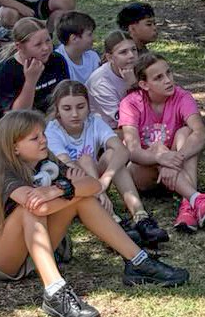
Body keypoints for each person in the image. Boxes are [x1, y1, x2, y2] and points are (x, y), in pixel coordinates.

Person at [0, 109, 188, 317]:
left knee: (83, 199)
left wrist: (59, 190)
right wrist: (69, 191)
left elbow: (93, 185)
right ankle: (55, 292)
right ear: (14, 147)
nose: (43, 140)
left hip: (34, 249)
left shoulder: (45, 161)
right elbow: (37, 207)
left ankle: (138, 262)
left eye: (42, 134)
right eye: (34, 138)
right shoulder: (2, 172)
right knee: (32, 208)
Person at [46, 79, 166, 246]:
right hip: (71, 185)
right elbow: (67, 166)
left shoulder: (94, 121)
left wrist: (105, 179)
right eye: (67, 108)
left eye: (80, 107)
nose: (74, 114)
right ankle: (111, 220)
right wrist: (98, 190)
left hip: (95, 179)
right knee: (85, 159)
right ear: (57, 110)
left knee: (111, 155)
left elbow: (122, 150)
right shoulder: (52, 130)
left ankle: (140, 216)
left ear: (88, 106)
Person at [118, 52, 205, 231]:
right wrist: (160, 158)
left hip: (174, 170)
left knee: (186, 132)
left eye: (169, 73)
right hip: (142, 173)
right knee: (157, 147)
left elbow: (200, 133)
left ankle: (189, 208)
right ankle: (195, 199)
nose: (168, 80)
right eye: (158, 77)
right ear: (144, 84)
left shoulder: (182, 96)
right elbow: (133, 151)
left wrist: (174, 159)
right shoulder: (131, 103)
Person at [0, 17, 68, 125]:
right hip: (12, 125)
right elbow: (16, 115)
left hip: (49, 119)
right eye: (38, 44)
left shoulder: (57, 60)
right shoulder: (6, 71)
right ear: (19, 46)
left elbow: (64, 95)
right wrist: (31, 81)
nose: (46, 48)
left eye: (48, 40)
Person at [86, 31, 138, 128]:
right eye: (123, 52)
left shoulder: (140, 68)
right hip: (107, 129)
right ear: (110, 58)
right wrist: (133, 85)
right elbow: (126, 119)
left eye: (134, 49)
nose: (131, 55)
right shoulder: (100, 82)